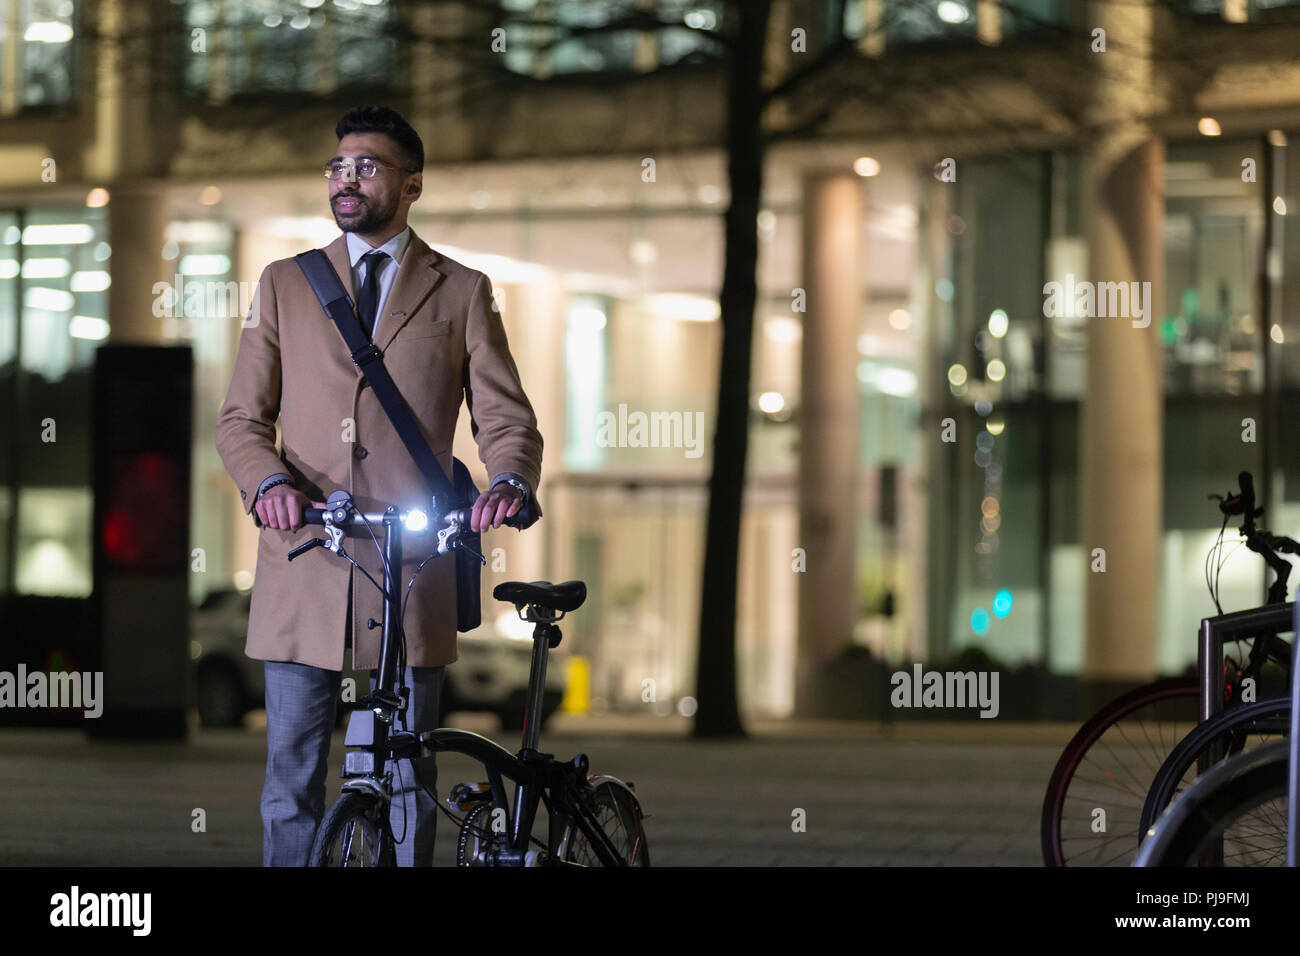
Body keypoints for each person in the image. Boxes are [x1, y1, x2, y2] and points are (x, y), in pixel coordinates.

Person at [215, 105, 544, 866]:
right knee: (290, 781)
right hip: (304, 559)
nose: (346, 179)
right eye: (338, 166)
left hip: (412, 564)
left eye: (366, 166)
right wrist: (267, 482)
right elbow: (240, 418)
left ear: (411, 183)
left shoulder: (461, 289)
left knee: (406, 775)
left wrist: (508, 480)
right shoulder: (285, 283)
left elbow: (503, 413)